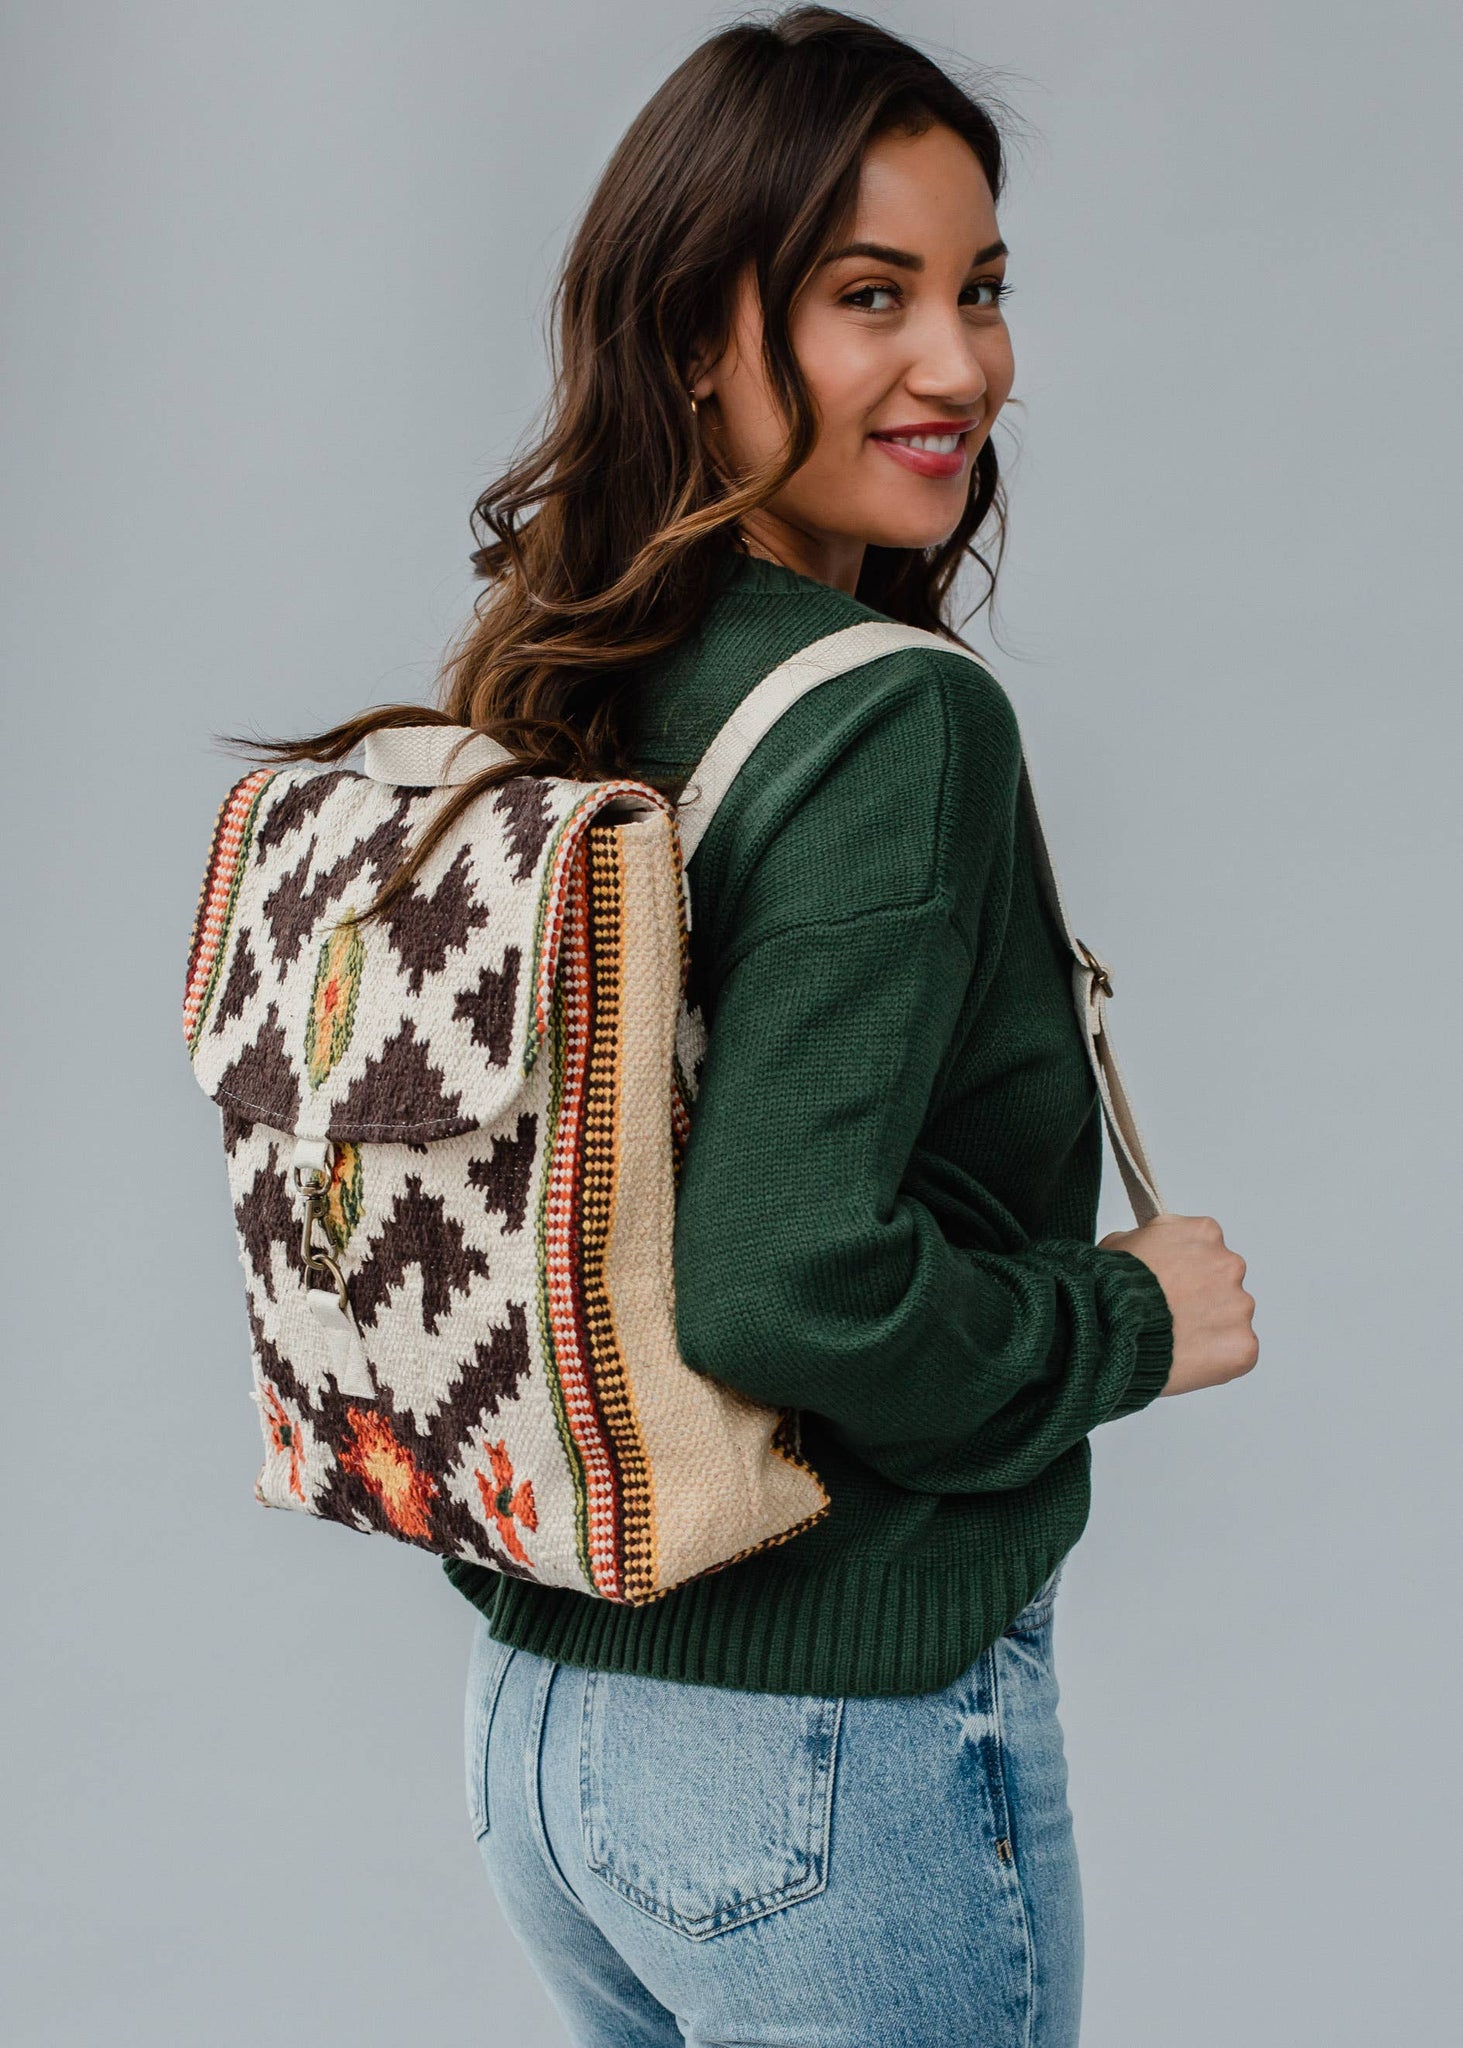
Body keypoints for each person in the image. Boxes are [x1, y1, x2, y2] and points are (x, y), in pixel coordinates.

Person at [433, 11, 1259, 2044]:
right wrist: (1130, 1319)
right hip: (816, 1745)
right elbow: (786, 1284)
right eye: (866, 296)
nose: (965, 366)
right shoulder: (895, 713)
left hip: (551, 1725)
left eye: (980, 291)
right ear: (697, 330)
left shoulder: (567, 672)